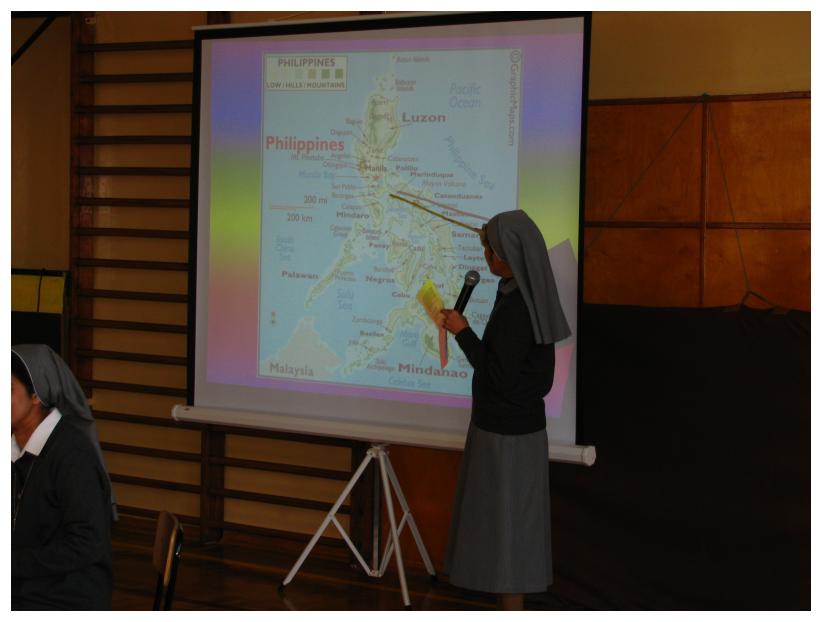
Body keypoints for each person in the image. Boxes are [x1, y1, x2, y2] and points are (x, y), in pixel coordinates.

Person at [439, 210, 571, 610]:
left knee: (508, 534)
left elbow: (498, 373)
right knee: (503, 531)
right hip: (506, 431)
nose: (486, 255)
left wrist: (463, 332)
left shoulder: (518, 307)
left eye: (490, 249)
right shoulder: (517, 291)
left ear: (508, 256)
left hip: (507, 438)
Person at [11, 344, 114, 610]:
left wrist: (12, 563)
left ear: (36, 395)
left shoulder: (72, 454)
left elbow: (87, 543)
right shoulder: (15, 445)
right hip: (28, 582)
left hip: (64, 595)